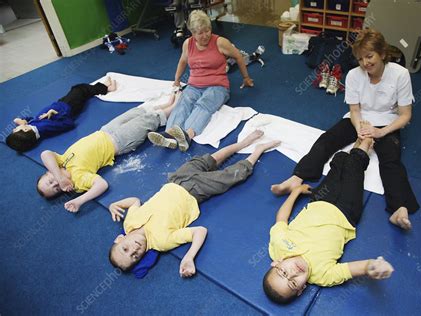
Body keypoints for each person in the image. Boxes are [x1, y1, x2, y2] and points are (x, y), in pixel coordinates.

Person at [271, 28, 419, 230]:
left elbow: (405, 115)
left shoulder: (400, 74)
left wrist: (380, 132)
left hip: (387, 122)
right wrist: (360, 129)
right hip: (358, 119)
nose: (365, 63)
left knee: (391, 161)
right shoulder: (353, 76)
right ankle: (296, 178)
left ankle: (399, 208)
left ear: (382, 54)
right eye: (360, 59)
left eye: (370, 56)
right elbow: (355, 109)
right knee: (327, 139)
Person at [108, 130, 280, 276]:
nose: (134, 250)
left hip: (176, 180)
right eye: (135, 257)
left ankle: (242, 143)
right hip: (196, 192)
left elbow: (134, 201)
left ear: (120, 238)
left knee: (210, 159)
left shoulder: (129, 222)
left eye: (125, 249)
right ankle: (258, 150)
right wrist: (189, 256)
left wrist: (114, 204)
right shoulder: (161, 242)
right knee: (232, 175)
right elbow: (199, 231)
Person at [263, 136, 394, 305]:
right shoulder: (322, 276)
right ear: (302, 289)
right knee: (354, 166)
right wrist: (372, 267)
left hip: (320, 200)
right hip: (347, 211)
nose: (293, 273)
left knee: (339, 162)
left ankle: (359, 145)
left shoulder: (278, 247)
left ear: (276, 263)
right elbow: (353, 269)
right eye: (293, 282)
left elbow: (281, 218)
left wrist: (296, 192)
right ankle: (367, 140)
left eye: (283, 273)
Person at [36, 92, 179, 213]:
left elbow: (45, 154)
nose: (56, 183)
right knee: (147, 121)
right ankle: (174, 107)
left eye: (50, 181)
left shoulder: (60, 161)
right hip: (120, 141)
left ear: (49, 171)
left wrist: (59, 177)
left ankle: (166, 105)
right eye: (56, 189)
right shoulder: (78, 179)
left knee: (136, 113)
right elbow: (101, 185)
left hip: (105, 130)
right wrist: (79, 200)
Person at [148, 9, 254, 152]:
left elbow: (238, 56)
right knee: (183, 102)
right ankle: (170, 135)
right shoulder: (188, 44)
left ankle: (187, 135)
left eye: (207, 30)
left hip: (218, 86)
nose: (205, 35)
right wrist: (177, 80)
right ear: (192, 33)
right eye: (200, 33)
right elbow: (183, 61)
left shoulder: (220, 42)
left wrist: (246, 78)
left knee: (204, 104)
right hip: (194, 85)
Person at [6, 78, 116, 152]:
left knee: (82, 94)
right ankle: (106, 88)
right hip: (69, 107)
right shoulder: (44, 128)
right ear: (25, 130)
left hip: (60, 104)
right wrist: (56, 113)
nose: (15, 128)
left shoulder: (33, 130)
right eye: (16, 129)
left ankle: (98, 88)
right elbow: (68, 124)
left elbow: (31, 119)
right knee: (80, 89)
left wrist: (23, 120)